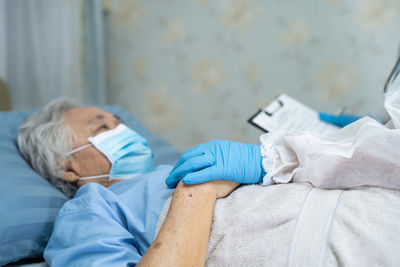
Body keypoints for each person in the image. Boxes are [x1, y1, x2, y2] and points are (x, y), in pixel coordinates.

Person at [18, 73, 400, 266]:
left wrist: (350, 144)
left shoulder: (186, 164)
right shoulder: (90, 210)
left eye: (121, 122)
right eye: (102, 127)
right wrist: (196, 190)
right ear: (64, 166)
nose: (122, 131)